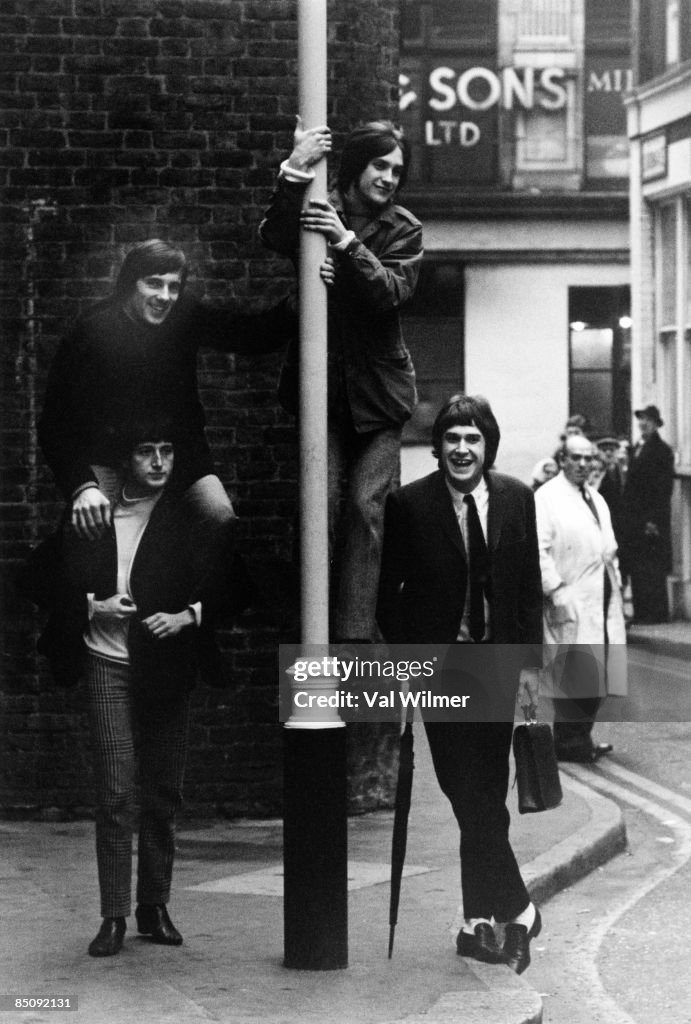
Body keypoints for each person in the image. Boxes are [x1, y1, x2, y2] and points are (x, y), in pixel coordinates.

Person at [33, 425, 229, 957]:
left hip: (165, 668)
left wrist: (188, 616)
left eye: (168, 451)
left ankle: (154, 906)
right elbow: (34, 576)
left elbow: (241, 584)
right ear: (128, 459)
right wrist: (90, 608)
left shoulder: (189, 517)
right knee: (116, 795)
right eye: (148, 452)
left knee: (162, 793)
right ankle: (114, 914)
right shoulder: (95, 514)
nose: (160, 462)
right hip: (106, 664)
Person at [377, 394, 543, 975]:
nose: (462, 449)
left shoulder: (517, 499)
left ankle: (480, 923)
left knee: (485, 796)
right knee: (462, 791)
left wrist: (529, 668)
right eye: (452, 438)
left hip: (495, 670)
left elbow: (527, 590)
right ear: (439, 446)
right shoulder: (411, 504)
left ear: (486, 445)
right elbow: (387, 598)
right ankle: (519, 910)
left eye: (473, 439)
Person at [259, 118, 423, 642]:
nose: (389, 177)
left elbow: (391, 293)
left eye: (397, 169)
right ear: (357, 165)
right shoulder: (320, 201)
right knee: (321, 502)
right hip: (324, 390)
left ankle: (353, 631)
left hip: (380, 394)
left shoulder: (404, 227)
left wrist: (348, 249)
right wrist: (294, 170)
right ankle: (312, 621)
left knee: (364, 506)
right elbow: (275, 235)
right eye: (380, 165)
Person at [38, 239, 296, 562]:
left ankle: (184, 609)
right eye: (154, 284)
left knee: (218, 515)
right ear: (130, 283)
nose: (164, 297)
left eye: (174, 287)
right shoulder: (91, 332)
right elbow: (53, 424)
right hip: (111, 459)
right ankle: (100, 611)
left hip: (178, 456)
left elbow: (246, 334)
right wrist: (83, 486)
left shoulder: (184, 315)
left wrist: (293, 308)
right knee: (89, 531)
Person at [535, 433, 627, 763]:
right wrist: (556, 590)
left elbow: (608, 546)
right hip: (569, 597)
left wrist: (614, 575)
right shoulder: (547, 497)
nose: (584, 464)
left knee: (595, 672)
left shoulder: (594, 496)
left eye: (589, 458)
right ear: (562, 460)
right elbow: (538, 550)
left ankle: (580, 738)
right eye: (577, 458)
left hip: (600, 597)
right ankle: (569, 742)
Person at [621, 405, 674, 623]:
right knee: (638, 564)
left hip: (651, 518)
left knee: (652, 565)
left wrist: (654, 519)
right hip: (634, 517)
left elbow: (663, 488)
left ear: (656, 424)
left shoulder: (661, 450)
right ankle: (642, 611)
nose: (643, 424)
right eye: (641, 420)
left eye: (648, 421)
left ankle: (655, 613)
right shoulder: (637, 448)